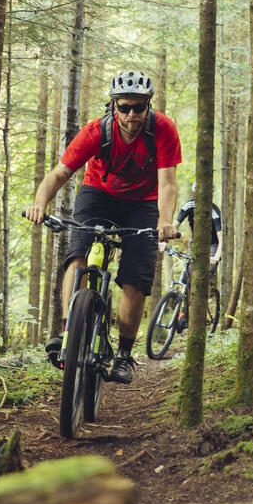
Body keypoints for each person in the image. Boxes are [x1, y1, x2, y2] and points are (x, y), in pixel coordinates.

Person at [24, 69, 181, 384]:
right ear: (113, 106)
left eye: (139, 107)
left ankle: (123, 355)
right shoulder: (97, 131)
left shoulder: (163, 130)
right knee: (78, 254)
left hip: (143, 204)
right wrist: (40, 203)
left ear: (148, 106)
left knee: (136, 280)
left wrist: (165, 220)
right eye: (125, 107)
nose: (132, 115)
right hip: (99, 195)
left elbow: (167, 184)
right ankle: (70, 330)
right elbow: (59, 173)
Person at [174, 181, 223, 277]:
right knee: (190, 272)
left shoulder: (215, 212)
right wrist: (163, 241)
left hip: (212, 244)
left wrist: (216, 258)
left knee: (207, 272)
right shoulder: (189, 206)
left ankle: (210, 289)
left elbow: (221, 240)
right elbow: (174, 226)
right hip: (195, 242)